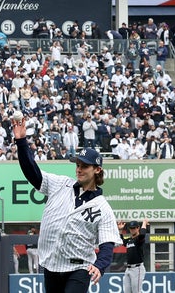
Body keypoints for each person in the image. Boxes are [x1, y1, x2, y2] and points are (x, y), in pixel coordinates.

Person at [12, 115, 120, 293]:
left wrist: (99, 266)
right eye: (78, 164)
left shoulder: (102, 207)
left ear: (97, 169)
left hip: (79, 268)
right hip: (51, 265)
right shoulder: (60, 184)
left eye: (84, 166)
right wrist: (21, 142)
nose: (79, 169)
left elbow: (107, 244)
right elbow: (32, 172)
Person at [122, 220, 150, 293]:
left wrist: (144, 223)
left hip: (137, 269)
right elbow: (121, 240)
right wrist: (120, 230)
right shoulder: (129, 240)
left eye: (134, 228)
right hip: (128, 269)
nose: (132, 230)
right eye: (131, 228)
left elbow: (142, 234)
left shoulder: (138, 239)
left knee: (136, 291)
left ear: (138, 228)